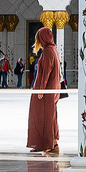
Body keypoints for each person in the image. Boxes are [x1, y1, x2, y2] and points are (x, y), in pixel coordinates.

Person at [26, 25, 60, 155]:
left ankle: (44, 144)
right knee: (50, 117)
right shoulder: (53, 50)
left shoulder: (47, 52)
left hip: (45, 92)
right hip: (52, 90)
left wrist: (41, 90)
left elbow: (45, 73)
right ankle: (52, 143)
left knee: (41, 117)